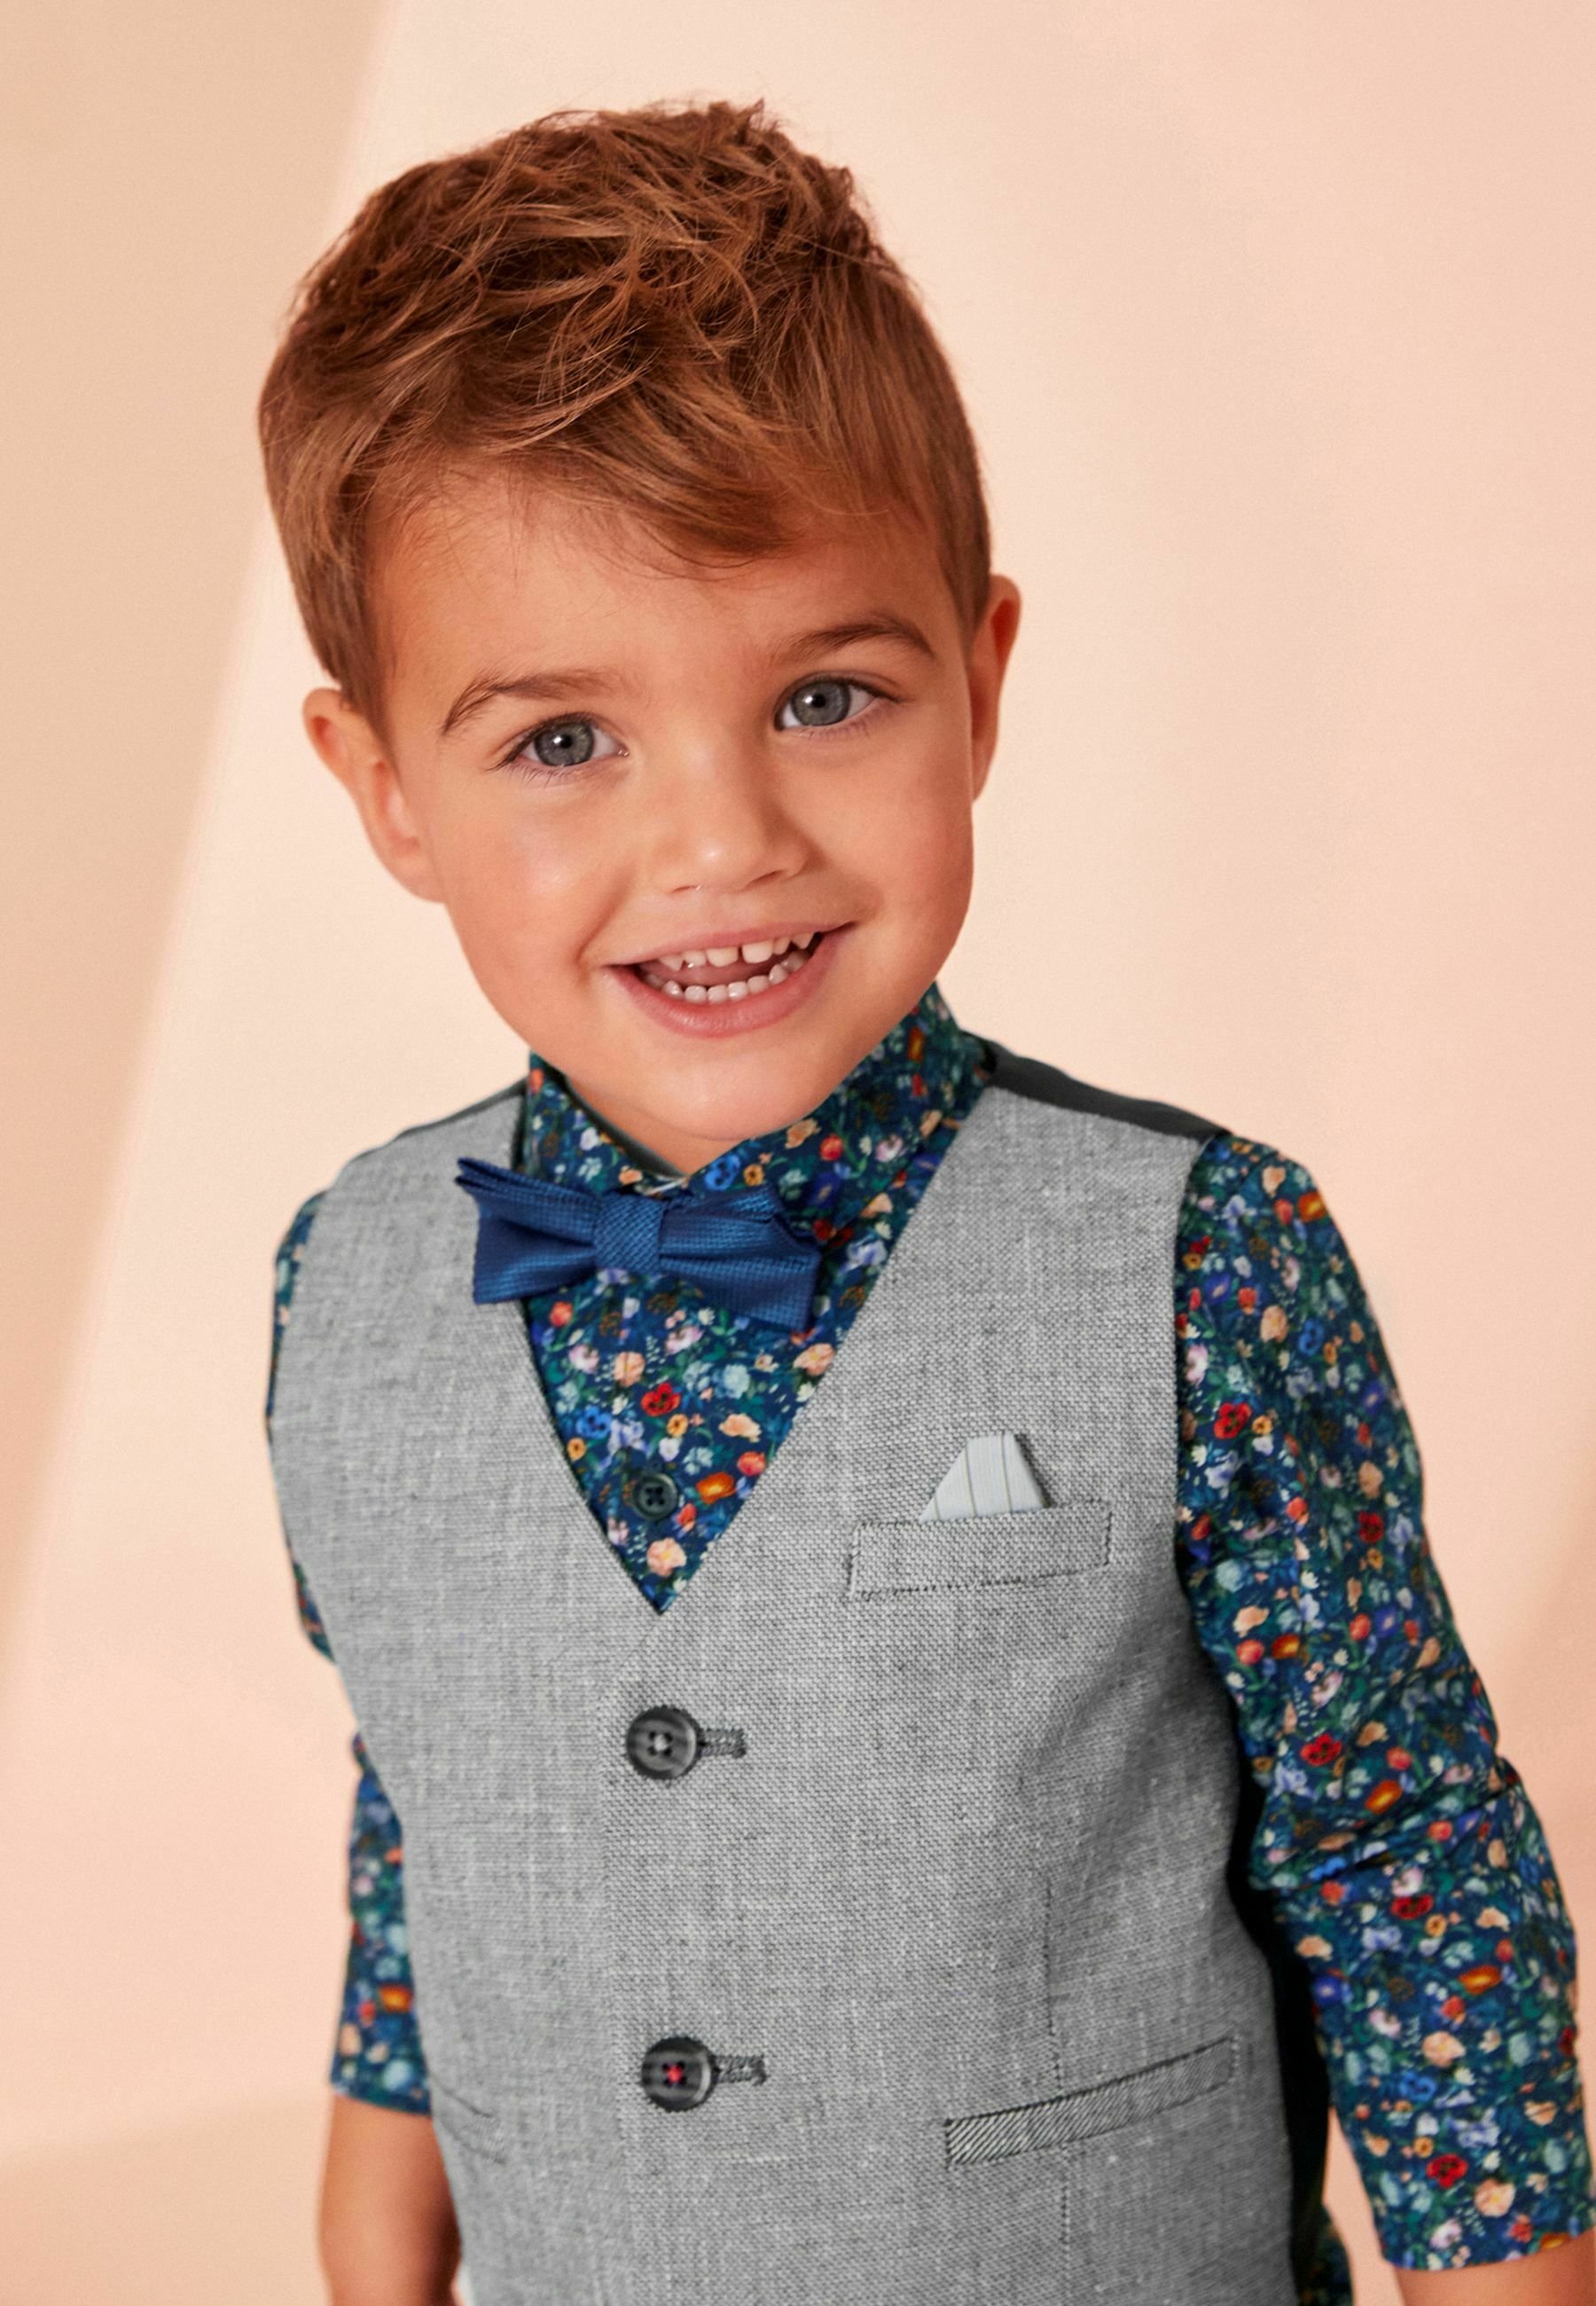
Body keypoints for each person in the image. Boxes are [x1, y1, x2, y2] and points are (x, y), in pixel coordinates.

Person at [256, 98, 1593, 2306]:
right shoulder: (348, 1284)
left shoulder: (1203, 1263)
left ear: (979, 683)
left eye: (824, 696)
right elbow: (430, 1793)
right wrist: (372, 2228)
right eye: (564, 741)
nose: (723, 841)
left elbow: (1403, 1862)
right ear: (386, 787)